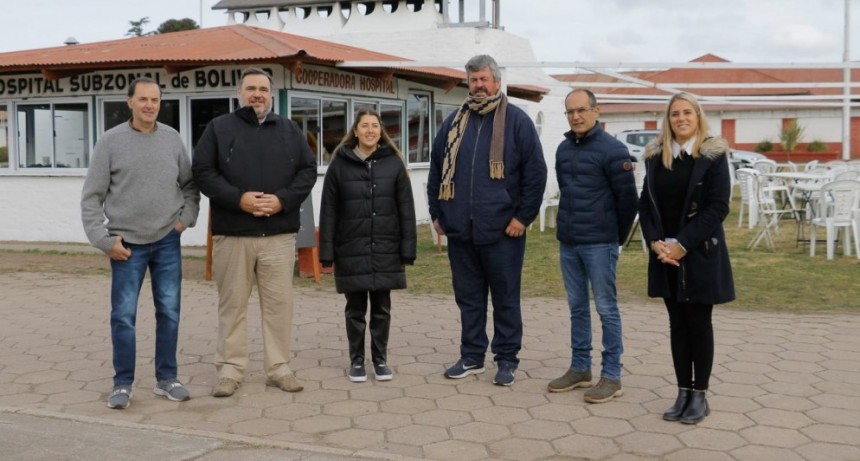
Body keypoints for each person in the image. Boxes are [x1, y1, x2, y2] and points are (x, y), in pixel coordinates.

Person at [192, 67, 316, 397]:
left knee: (279, 306)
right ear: (239, 93)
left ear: (271, 95)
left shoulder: (289, 130)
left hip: (278, 236)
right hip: (234, 235)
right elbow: (203, 171)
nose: (257, 94)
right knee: (232, 306)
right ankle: (230, 370)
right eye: (251, 88)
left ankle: (279, 368)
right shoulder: (219, 128)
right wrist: (239, 200)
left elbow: (307, 172)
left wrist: (282, 200)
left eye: (263, 89)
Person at [81, 77, 200, 409]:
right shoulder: (111, 142)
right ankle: (122, 384)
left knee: (170, 312)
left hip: (167, 240)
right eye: (143, 99)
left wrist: (184, 220)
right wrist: (103, 240)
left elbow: (190, 186)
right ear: (129, 102)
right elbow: (91, 197)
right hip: (126, 246)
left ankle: (167, 379)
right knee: (123, 316)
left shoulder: (172, 138)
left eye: (155, 100)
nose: (150, 105)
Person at [427, 55, 547, 386]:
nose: (478, 85)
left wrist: (523, 217)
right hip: (460, 230)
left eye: (483, 79)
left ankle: (506, 359)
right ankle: (471, 356)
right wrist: (437, 213)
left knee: (505, 300)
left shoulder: (517, 122)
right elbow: (436, 169)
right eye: (473, 80)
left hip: (503, 231)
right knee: (469, 300)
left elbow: (535, 174)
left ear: (496, 82)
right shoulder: (453, 123)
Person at [638, 92, 735, 424]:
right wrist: (654, 242)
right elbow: (645, 203)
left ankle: (699, 395)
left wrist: (682, 244)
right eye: (675, 113)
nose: (681, 118)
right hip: (664, 254)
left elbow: (718, 207)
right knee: (677, 324)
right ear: (668, 119)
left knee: (698, 323)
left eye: (687, 113)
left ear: (698, 116)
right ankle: (682, 391)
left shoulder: (713, 155)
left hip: (698, 253)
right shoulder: (656, 156)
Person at [547, 89, 638, 403]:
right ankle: (580, 368)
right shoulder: (563, 149)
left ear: (596, 111)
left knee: (606, 309)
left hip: (600, 243)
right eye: (570, 112)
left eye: (581, 110)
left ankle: (611, 375)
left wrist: (615, 240)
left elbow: (628, 202)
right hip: (569, 242)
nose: (576, 117)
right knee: (577, 307)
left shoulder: (614, 150)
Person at [318, 109, 417, 383]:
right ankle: (357, 361)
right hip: (351, 249)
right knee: (355, 309)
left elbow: (406, 210)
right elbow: (328, 211)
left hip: (386, 249)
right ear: (356, 131)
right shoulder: (339, 165)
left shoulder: (394, 164)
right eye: (365, 126)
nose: (370, 130)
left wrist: (407, 250)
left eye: (375, 125)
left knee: (382, 309)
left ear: (381, 131)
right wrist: (326, 253)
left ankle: (380, 360)